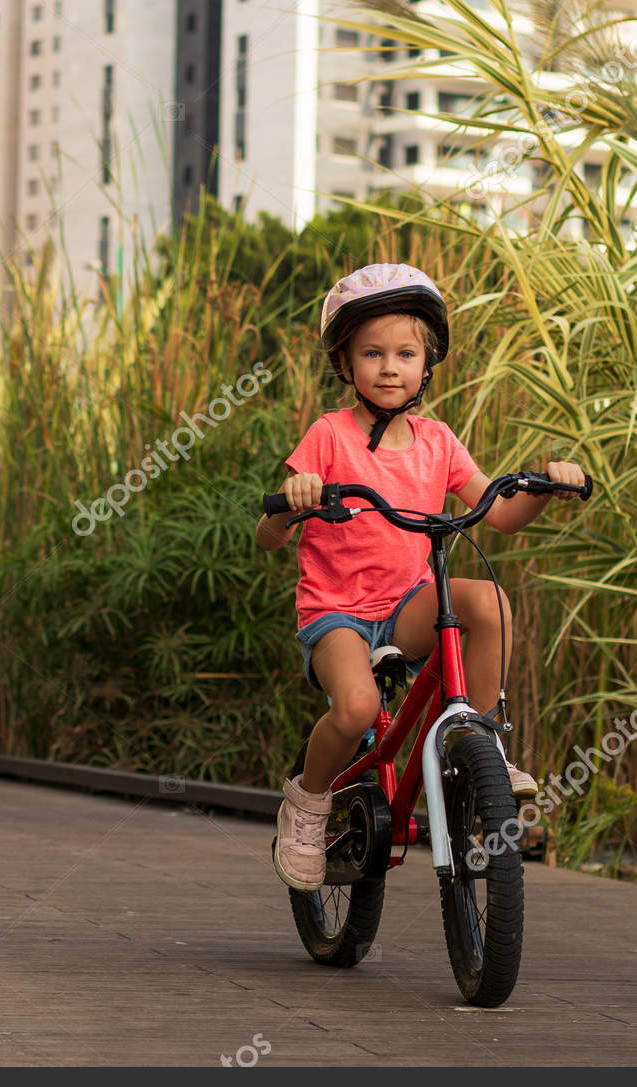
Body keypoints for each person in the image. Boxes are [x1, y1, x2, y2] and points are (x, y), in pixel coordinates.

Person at [255, 262, 587, 892]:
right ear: (345, 363)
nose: (389, 367)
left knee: (484, 599)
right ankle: (307, 802)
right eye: (372, 353)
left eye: (405, 353)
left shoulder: (438, 441)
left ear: (427, 362)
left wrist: (546, 486)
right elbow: (268, 535)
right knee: (355, 707)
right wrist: (293, 500)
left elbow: (504, 514)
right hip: (337, 613)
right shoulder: (328, 435)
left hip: (405, 601)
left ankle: (483, 740)